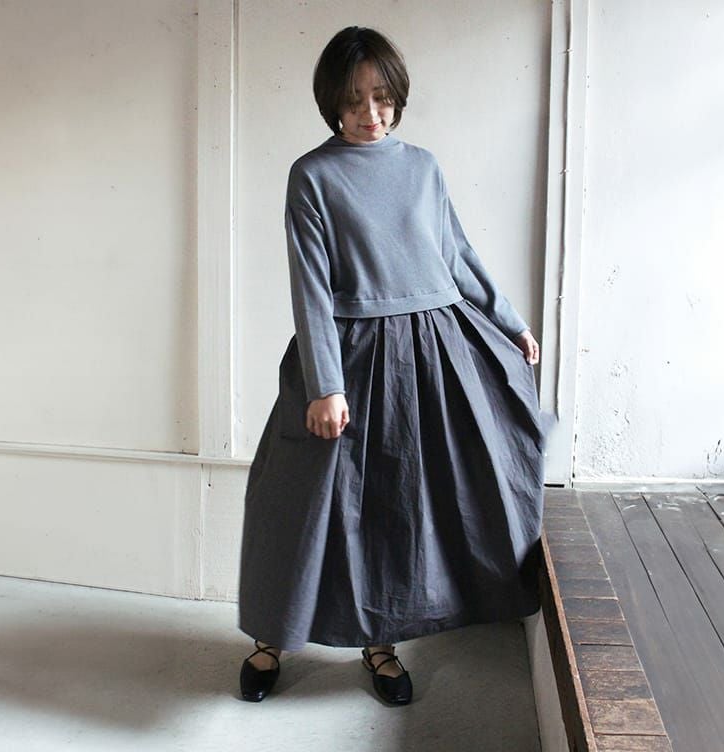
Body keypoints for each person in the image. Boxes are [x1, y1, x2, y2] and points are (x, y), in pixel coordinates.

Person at [236, 25, 556, 706]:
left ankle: (380, 645)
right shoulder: (312, 176)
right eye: (354, 101)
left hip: (428, 354)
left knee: (396, 504)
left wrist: (510, 321)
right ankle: (270, 638)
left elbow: (457, 255)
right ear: (332, 102)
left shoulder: (424, 167)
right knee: (297, 501)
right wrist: (324, 385)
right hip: (346, 355)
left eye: (381, 98)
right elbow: (311, 286)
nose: (370, 114)